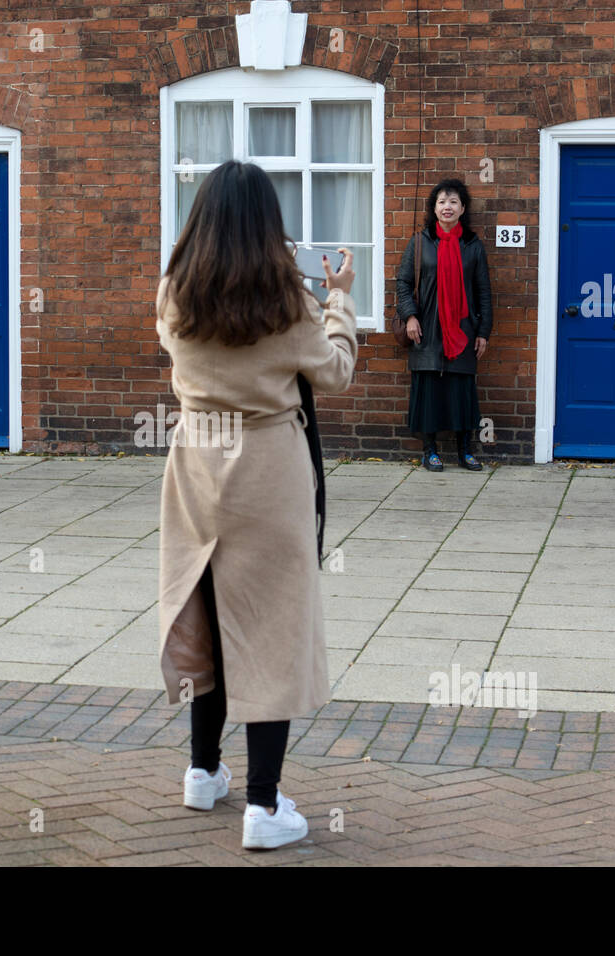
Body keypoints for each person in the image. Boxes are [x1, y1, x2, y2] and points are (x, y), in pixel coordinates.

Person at [156, 160, 358, 850]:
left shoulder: (175, 295)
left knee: (206, 617)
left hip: (195, 466)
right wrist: (339, 301)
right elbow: (334, 373)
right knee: (270, 630)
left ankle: (203, 771)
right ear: (268, 225)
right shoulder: (288, 303)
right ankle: (265, 807)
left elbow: (182, 359)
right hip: (267, 468)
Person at [394, 178, 493, 472]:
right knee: (429, 394)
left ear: (462, 208)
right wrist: (410, 315)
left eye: (453, 202)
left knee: (461, 392)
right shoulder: (420, 242)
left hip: (462, 330)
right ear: (434, 209)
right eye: (441, 202)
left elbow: (483, 292)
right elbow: (403, 282)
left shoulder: (473, 247)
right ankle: (430, 451)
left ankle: (465, 451)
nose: (447, 207)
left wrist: (484, 331)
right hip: (427, 329)